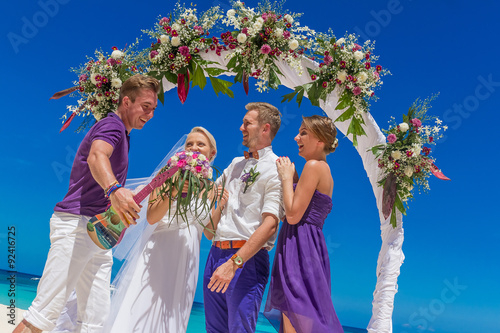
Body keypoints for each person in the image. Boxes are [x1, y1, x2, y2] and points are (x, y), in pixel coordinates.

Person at [14, 74, 160, 333]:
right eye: (145, 107)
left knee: (94, 322)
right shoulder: (112, 126)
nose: (149, 115)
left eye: (153, 109)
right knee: (43, 315)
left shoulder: (124, 134)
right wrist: (115, 189)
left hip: (98, 234)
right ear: (126, 101)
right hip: (76, 227)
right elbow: (96, 156)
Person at [103, 126, 227, 333]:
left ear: (211, 153)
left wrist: (220, 206)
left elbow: (207, 232)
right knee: (142, 307)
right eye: (189, 144)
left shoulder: (212, 187)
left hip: (188, 257)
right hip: (158, 250)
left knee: (173, 311)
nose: (193, 148)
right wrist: (175, 188)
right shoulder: (167, 173)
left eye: (200, 144)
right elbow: (152, 217)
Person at [203, 102, 283, 333]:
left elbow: (270, 225)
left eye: (247, 123)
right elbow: (206, 196)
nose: (241, 127)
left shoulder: (277, 168)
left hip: (246, 260)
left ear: (265, 128)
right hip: (214, 252)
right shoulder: (235, 163)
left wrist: (234, 263)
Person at [264, 115, 344, 333]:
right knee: (304, 312)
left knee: (294, 308)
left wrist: (285, 177)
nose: (296, 137)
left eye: (303, 132)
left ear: (320, 140)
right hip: (310, 246)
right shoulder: (324, 171)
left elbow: (291, 216)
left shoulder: (314, 166)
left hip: (299, 246)